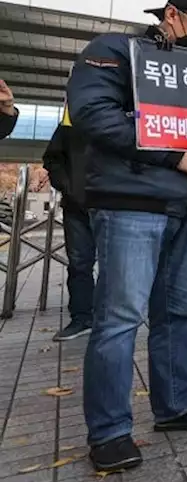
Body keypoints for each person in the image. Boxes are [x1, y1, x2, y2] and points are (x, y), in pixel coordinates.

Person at [67, 0, 187, 473]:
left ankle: (178, 405)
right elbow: (94, 115)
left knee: (180, 312)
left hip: (186, 206)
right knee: (120, 318)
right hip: (130, 203)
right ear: (172, 16)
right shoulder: (114, 52)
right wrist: (174, 155)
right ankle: (110, 431)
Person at [42, 121, 97, 341]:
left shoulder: (128, 115)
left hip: (117, 204)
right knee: (79, 263)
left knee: (117, 265)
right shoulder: (70, 122)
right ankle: (82, 318)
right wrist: (69, 187)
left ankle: (111, 318)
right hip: (77, 207)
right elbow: (52, 159)